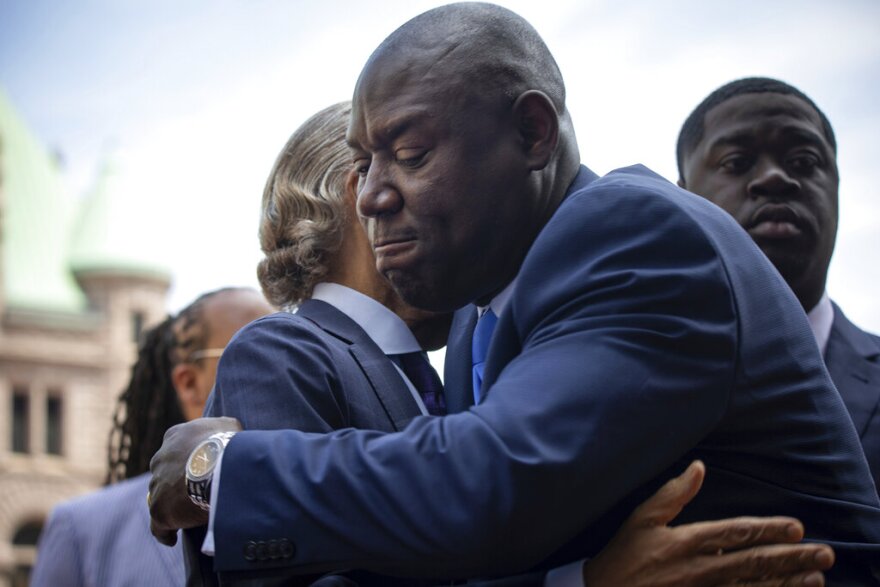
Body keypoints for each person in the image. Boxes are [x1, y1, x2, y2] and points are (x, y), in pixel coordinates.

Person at [149, 3, 880, 585]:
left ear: (533, 132)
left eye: (409, 154)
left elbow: (488, 486)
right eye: (364, 162)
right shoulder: (476, 320)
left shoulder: (633, 232)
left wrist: (226, 468)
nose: (370, 197)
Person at [676, 77, 880, 493]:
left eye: (804, 162)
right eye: (737, 161)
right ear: (682, 200)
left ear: (836, 187)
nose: (774, 178)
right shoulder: (617, 375)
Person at [30, 287, 272, 587]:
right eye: (255, 359)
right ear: (189, 383)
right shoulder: (83, 530)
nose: (276, 376)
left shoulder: (310, 508)